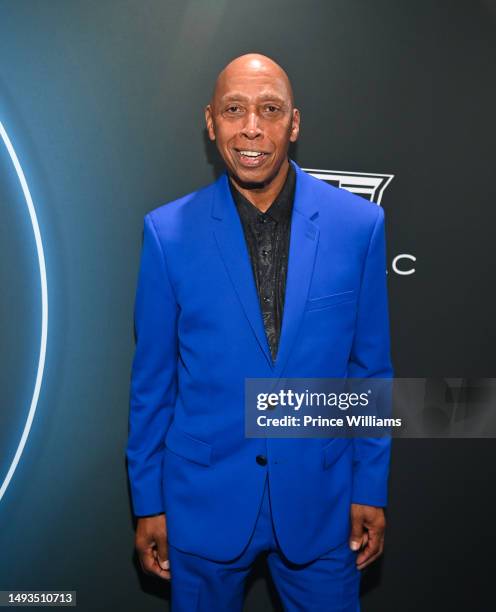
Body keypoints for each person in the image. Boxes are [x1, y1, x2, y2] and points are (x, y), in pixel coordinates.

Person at [126, 53, 393, 611]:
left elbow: (368, 371)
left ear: (293, 123)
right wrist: (148, 499)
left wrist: (369, 486)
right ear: (211, 122)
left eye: (270, 109)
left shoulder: (358, 226)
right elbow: (153, 382)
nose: (251, 127)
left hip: (321, 504)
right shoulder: (167, 233)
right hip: (202, 501)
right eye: (234, 109)